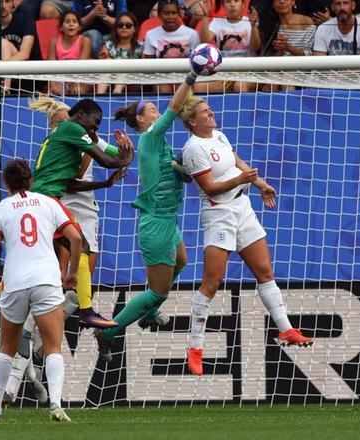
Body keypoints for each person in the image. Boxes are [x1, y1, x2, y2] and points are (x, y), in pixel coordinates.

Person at [178, 94, 314, 377]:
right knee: (212, 282)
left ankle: (286, 328)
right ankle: (195, 347)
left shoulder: (219, 136)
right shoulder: (193, 149)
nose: (211, 113)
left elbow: (238, 163)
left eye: (210, 109)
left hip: (243, 206)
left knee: (265, 271)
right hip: (219, 213)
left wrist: (262, 184)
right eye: (205, 112)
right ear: (192, 121)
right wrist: (240, 180)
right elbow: (210, 187)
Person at [94, 72, 199, 363]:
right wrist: (190, 78)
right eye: (152, 109)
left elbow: (171, 172)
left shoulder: (157, 145)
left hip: (167, 219)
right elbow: (175, 108)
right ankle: (109, 332)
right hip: (156, 224)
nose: (158, 111)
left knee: (182, 261)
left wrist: (181, 172)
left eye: (156, 108)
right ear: (141, 120)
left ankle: (150, 314)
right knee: (157, 291)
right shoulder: (151, 136)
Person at [0, 159, 80, 422]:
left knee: (6, 348)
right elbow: (76, 238)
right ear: (31, 180)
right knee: (53, 347)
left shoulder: (0, 209)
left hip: (14, 283)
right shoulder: (49, 202)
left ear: (6, 184)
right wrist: (70, 273)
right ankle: (56, 405)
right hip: (46, 280)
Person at [31, 98, 134, 329]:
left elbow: (113, 156)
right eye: (95, 122)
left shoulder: (75, 137)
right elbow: (109, 160)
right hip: (48, 200)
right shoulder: (73, 129)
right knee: (74, 251)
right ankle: (84, 311)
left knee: (44, 260)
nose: (96, 128)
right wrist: (124, 159)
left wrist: (127, 154)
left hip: (47, 200)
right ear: (78, 117)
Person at [143, 0, 200, 93]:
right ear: (159, 15)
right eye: (166, 13)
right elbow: (149, 65)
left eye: (173, 13)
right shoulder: (150, 34)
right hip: (162, 80)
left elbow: (196, 62)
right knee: (162, 88)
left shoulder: (192, 34)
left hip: (187, 78)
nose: (170, 17)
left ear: (179, 14)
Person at [96, 12, 143, 94]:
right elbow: (102, 63)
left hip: (134, 82)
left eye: (128, 25)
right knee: (107, 61)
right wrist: (102, 57)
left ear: (135, 29)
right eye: (120, 25)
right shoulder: (108, 45)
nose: (124, 27)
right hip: (111, 82)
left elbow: (144, 68)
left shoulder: (141, 46)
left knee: (123, 67)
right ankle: (99, 96)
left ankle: (116, 94)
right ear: (116, 28)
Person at [48, 10, 92, 95]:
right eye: (67, 22)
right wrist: (53, 84)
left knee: (78, 91)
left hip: (81, 79)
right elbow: (50, 68)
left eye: (74, 22)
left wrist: (76, 84)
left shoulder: (85, 41)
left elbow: (81, 67)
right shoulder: (54, 42)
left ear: (79, 27)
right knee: (55, 92)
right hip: (61, 79)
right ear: (61, 27)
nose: (71, 24)